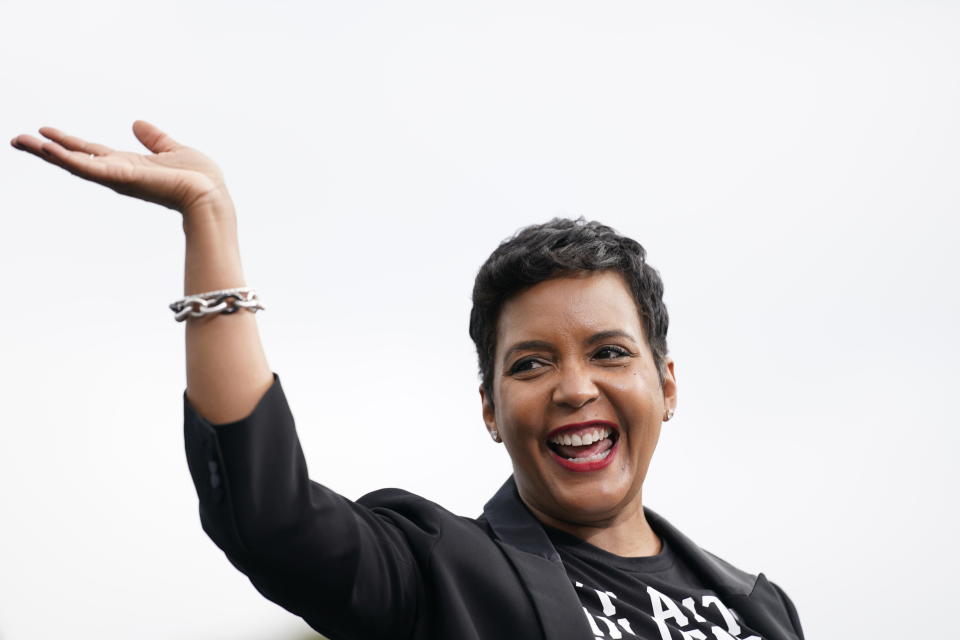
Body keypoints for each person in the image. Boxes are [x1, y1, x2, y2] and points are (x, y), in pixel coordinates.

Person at [11, 121, 805, 640]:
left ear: (667, 384)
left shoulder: (760, 610)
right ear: (491, 409)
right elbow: (271, 518)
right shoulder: (440, 575)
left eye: (608, 353)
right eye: (530, 364)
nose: (573, 388)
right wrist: (208, 220)